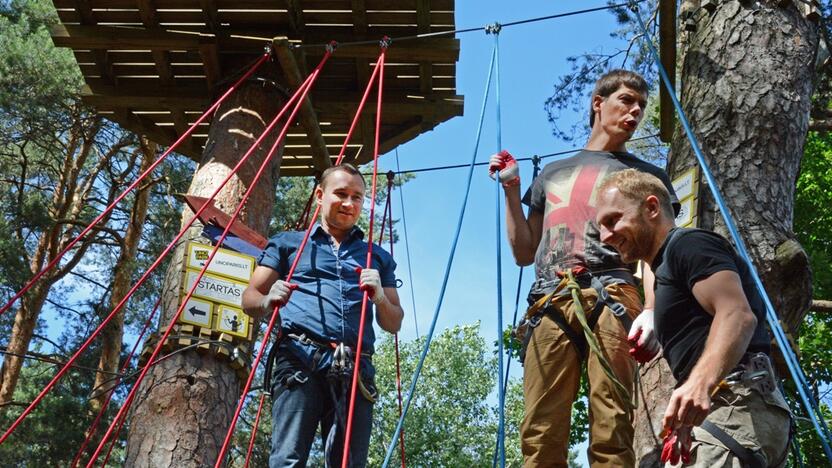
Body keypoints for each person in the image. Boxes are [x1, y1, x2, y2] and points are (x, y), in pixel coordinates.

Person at [489, 69, 680, 466]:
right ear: (598, 103)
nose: (635, 111)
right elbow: (525, 252)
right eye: (626, 100)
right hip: (551, 295)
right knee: (540, 430)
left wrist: (650, 309)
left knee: (612, 425)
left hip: (615, 292)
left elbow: (655, 251)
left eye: (641, 106)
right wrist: (510, 189)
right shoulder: (552, 174)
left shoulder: (647, 178)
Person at [594, 169, 791, 467]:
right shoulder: (665, 271)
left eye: (613, 220)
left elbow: (737, 314)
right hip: (727, 413)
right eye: (601, 227)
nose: (605, 236)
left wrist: (700, 383)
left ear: (651, 207)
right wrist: (688, 417)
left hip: (738, 405)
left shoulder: (688, 245)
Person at [242, 163, 404, 468]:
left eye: (357, 197)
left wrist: (379, 297)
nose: (349, 203)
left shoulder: (377, 257)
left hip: (355, 367)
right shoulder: (289, 244)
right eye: (341, 194)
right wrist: (267, 300)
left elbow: (393, 322)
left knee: (348, 463)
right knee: (287, 460)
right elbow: (249, 298)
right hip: (300, 358)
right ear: (320, 194)